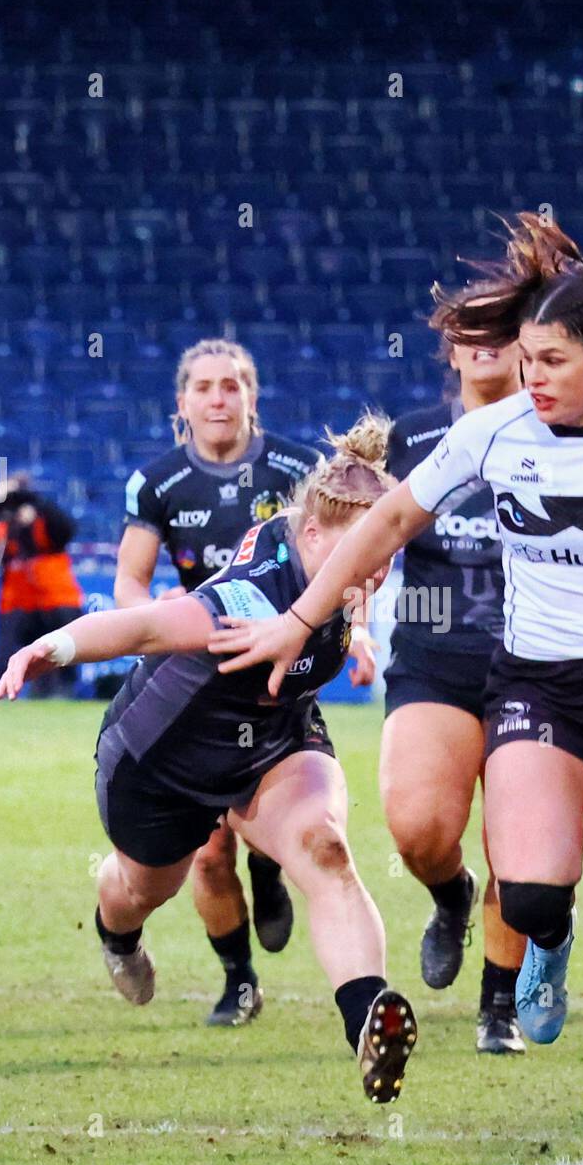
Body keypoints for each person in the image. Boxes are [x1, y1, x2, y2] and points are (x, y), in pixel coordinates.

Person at [206, 215, 583, 1164]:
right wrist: (303, 615)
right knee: (527, 899)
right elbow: (392, 516)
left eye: (554, 361)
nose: (533, 379)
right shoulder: (495, 432)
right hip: (537, 686)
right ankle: (545, 943)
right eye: (525, 359)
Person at [0, 417, 417, 1105]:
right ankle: (117, 938)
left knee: (328, 851)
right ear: (314, 537)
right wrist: (55, 648)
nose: (376, 568)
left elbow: (347, 582)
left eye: (386, 553)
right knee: (139, 891)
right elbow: (147, 625)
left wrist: (361, 633)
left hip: (273, 736)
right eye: (364, 552)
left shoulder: (328, 554)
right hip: (165, 760)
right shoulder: (246, 604)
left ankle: (367, 1025)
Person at [115, 338, 376, 1027]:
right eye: (203, 387)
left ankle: (273, 864)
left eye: (232, 385)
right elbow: (131, 580)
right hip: (208, 678)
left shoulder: (301, 469)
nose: (218, 399)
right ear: (183, 404)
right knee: (206, 855)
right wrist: (143, 637)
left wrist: (364, 631)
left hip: (281, 684)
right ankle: (238, 979)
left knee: (308, 830)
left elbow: (356, 553)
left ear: (251, 396)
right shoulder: (158, 483)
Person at [381, 325, 528, 1053]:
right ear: (450, 351)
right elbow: (369, 529)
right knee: (417, 830)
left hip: (535, 661)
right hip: (431, 656)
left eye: (506, 331)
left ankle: (498, 1007)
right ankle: (449, 896)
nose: (488, 345)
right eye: (473, 333)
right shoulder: (408, 438)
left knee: (522, 849)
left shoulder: (558, 432)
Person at [0, 473, 84, 698]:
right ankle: (2, 696)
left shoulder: (44, 514)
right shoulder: (0, 523)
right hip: (18, 601)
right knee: (7, 654)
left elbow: (65, 531)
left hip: (56, 598)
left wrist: (32, 505)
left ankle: (63, 696)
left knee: (61, 655)